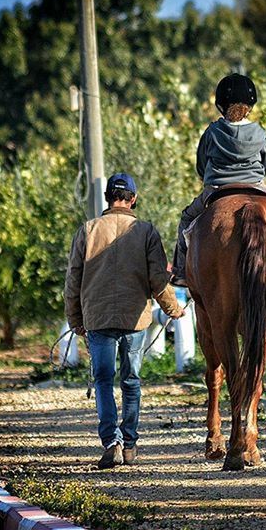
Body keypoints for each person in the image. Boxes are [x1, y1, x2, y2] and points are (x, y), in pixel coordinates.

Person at [65, 173, 184, 469]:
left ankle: (111, 442)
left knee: (103, 380)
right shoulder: (145, 231)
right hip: (135, 319)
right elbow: (158, 278)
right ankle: (130, 446)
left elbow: (72, 280)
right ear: (133, 199)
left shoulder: (88, 230)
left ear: (107, 198)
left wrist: (75, 318)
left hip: (98, 318)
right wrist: (173, 309)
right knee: (131, 381)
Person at [171, 73, 266, 286]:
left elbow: (201, 166)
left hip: (217, 189)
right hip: (256, 186)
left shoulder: (212, 132)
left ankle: (181, 273)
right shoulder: (260, 132)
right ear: (250, 105)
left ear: (221, 105)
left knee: (186, 219)